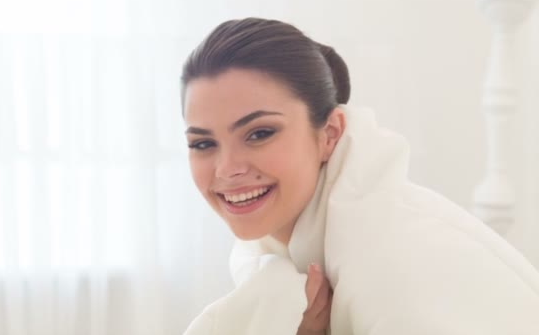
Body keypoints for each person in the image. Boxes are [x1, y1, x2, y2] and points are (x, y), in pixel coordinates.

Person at [180, 18, 539, 335]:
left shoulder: (394, 266)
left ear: (330, 133)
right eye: (203, 143)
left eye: (259, 133)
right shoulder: (268, 255)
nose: (227, 169)